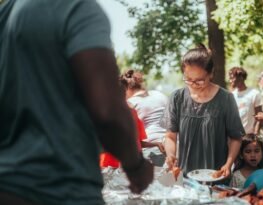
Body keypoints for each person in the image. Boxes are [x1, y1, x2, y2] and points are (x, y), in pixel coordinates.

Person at [0, 1, 153, 204]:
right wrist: (136, 166)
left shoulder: (5, 13)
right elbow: (107, 111)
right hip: (62, 189)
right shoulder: (77, 8)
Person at [161, 44, 245, 177]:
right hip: (185, 174)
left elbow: (236, 138)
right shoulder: (177, 98)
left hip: (216, 174)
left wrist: (228, 164)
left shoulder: (226, 98)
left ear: (211, 74)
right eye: (188, 79)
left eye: (199, 80)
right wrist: (171, 155)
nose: (193, 85)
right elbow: (170, 136)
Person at [119, 69, 166, 166]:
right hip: (172, 145)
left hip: (150, 150)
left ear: (126, 89)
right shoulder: (159, 94)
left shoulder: (131, 104)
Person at [229, 67, 262, 135]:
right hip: (235, 136)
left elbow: (259, 116)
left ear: (241, 78)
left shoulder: (254, 93)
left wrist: (255, 133)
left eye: (232, 78)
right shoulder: (231, 95)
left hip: (249, 135)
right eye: (230, 78)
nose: (230, 81)